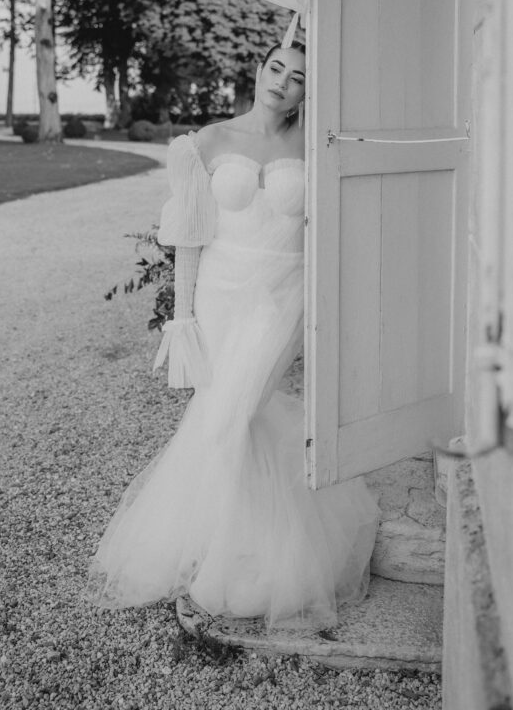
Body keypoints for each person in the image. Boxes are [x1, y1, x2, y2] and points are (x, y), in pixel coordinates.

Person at [86, 39, 379, 630]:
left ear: (308, 87)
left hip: (282, 297)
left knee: (234, 415)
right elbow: (191, 237)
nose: (283, 82)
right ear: (258, 67)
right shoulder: (207, 142)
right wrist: (185, 319)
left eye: (299, 76)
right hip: (220, 296)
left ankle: (230, 562)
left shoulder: (315, 143)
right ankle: (226, 546)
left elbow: (332, 227)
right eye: (276, 67)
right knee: (229, 419)